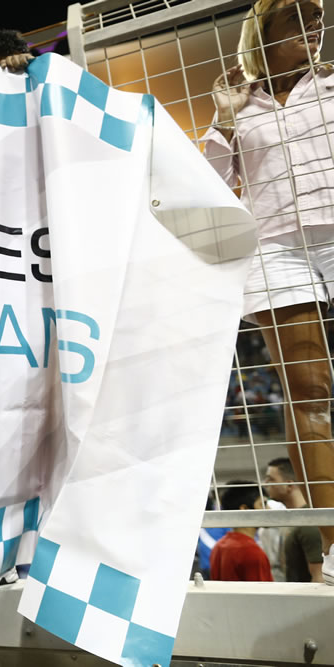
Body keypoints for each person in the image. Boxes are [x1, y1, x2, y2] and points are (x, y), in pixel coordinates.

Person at [201, 0, 334, 585]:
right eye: (297, 14)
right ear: (264, 29)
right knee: (309, 393)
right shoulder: (238, 101)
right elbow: (210, 190)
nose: (315, 22)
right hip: (277, 252)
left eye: (317, 13)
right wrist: (225, 119)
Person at [264, 457, 326, 581]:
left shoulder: (309, 523)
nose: (266, 484)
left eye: (271, 479)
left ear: (289, 485)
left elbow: (319, 577)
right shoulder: (292, 520)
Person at [210, 482, 274, 581]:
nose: (270, 509)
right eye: (263, 504)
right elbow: (263, 590)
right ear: (245, 509)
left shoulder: (219, 546)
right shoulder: (252, 552)